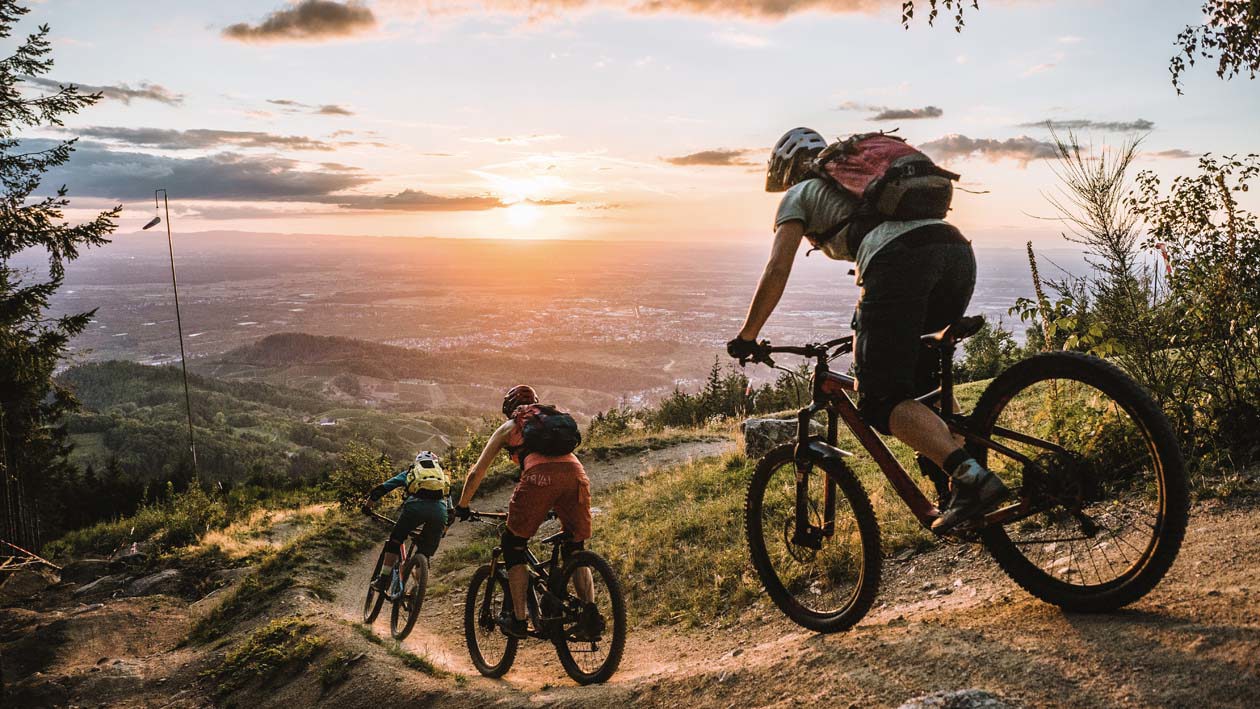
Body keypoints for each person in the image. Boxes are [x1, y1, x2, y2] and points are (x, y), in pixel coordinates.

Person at [726, 127, 1008, 532]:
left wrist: (748, 335)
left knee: (877, 399)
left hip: (902, 263)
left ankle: (971, 480)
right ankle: (963, 484)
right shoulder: (860, 182)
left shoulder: (799, 195)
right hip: (956, 254)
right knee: (921, 382)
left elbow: (777, 267)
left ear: (787, 169)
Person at [453, 385, 599, 640]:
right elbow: (559, 467)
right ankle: (590, 615)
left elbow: (477, 472)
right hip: (576, 475)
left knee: (513, 546)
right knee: (575, 547)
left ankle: (519, 620)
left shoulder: (510, 427)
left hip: (538, 478)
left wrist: (463, 505)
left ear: (509, 409)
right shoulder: (552, 421)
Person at [362, 451, 452, 593]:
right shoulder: (442, 477)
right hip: (439, 513)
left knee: (395, 540)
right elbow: (450, 511)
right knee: (424, 552)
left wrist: (367, 506)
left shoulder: (411, 473)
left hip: (414, 509)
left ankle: (383, 580)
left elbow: (383, 488)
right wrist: (444, 530)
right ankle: (417, 591)